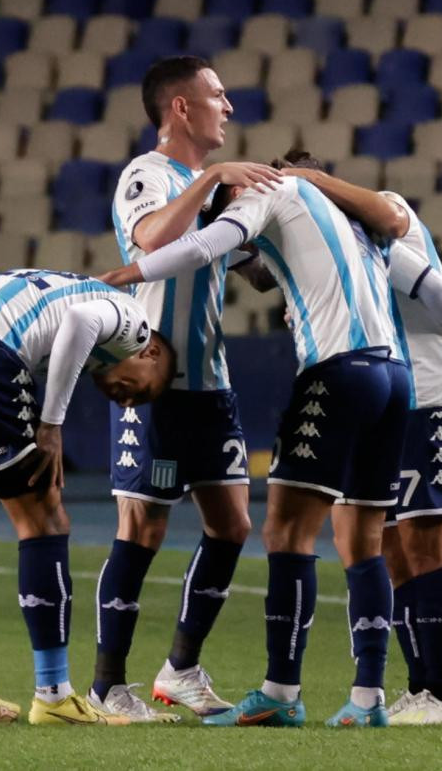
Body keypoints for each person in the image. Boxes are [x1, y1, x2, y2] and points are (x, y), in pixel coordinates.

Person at [101, 166, 442, 729]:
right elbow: (406, 258)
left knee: (287, 532)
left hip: (338, 372)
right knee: (367, 539)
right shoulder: (353, 225)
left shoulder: (263, 195)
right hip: (394, 376)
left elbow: (205, 244)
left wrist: (133, 271)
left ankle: (280, 691)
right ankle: (368, 698)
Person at [0, 268, 176, 726]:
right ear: (152, 351)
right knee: (44, 522)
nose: (127, 401)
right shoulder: (134, 320)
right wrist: (52, 422)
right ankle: (54, 694)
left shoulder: (60, 288)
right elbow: (82, 321)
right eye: (142, 387)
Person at [92, 55, 283, 722]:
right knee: (142, 524)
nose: (228, 106)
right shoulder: (147, 176)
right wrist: (212, 180)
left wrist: (289, 206)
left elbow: (259, 271)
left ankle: (179, 669)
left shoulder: (210, 192)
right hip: (154, 386)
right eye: (218, 95)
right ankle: (107, 687)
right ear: (181, 107)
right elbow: (148, 240)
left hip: (211, 387)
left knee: (231, 525)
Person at [273, 152, 442, 725]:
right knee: (389, 545)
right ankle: (421, 688)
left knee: (425, 540)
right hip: (397, 400)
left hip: (436, 389)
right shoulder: (329, 251)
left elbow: (429, 281)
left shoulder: (383, 217)